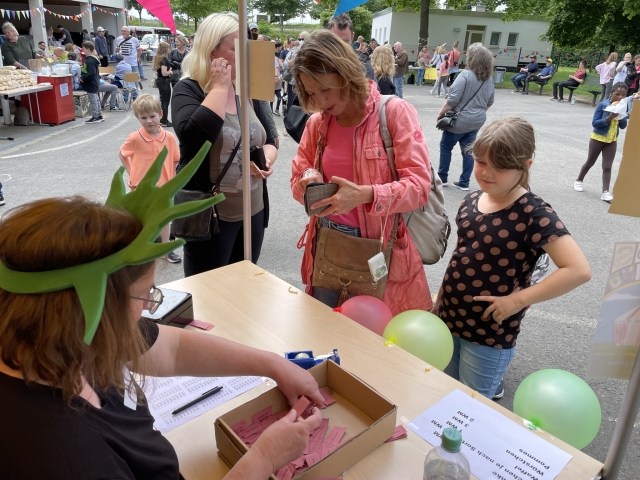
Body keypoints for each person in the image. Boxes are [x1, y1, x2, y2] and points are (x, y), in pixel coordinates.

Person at [0, 171, 324, 479]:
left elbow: (173, 348)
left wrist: (273, 364)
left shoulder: (66, 340)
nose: (148, 308)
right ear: (92, 310)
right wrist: (263, 460)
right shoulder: (68, 461)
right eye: (145, 294)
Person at [434, 117, 592, 400]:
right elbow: (461, 255)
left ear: (525, 166)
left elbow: (578, 270)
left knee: (472, 406)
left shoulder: (534, 213)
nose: (487, 172)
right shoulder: (471, 200)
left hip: (489, 334)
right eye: (481, 162)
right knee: (446, 392)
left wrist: (517, 300)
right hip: (449, 318)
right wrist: (440, 298)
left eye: (501, 166)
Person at [290, 30, 432, 314]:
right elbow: (297, 179)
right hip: (327, 244)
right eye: (311, 92)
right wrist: (306, 180)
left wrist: (366, 195)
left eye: (325, 89)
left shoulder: (394, 113)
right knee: (325, 331)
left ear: (346, 74)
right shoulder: (318, 124)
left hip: (379, 247)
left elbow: (419, 187)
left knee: (372, 335)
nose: (320, 101)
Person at [171, 12, 277, 277]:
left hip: (252, 209)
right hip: (211, 216)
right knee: (209, 290)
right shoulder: (188, 89)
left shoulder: (247, 89)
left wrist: (267, 158)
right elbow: (193, 139)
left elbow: (270, 139)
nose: (245, 55)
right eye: (235, 48)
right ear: (212, 51)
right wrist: (219, 88)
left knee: (245, 285)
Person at [119, 94, 181, 262]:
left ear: (161, 114)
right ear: (137, 118)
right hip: (140, 186)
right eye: (143, 117)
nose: (149, 121)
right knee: (140, 217)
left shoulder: (169, 137)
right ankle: (141, 247)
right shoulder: (135, 138)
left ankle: (165, 248)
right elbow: (122, 154)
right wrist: (131, 173)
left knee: (164, 217)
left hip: (163, 186)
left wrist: (173, 180)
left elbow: (175, 159)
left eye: (152, 116)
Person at [436, 42, 495, 191]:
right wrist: (477, 111)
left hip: (458, 120)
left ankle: (442, 177)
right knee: (468, 150)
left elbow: (452, 100)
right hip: (476, 121)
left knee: (445, 147)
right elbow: (489, 102)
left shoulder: (465, 75)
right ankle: (464, 182)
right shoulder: (489, 79)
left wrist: (440, 113)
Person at [574, 82, 629, 203]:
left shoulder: (622, 106)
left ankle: (605, 192)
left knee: (607, 166)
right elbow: (595, 123)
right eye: (617, 94)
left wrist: (621, 115)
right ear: (611, 93)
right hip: (598, 138)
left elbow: (623, 126)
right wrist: (609, 117)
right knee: (590, 162)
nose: (620, 97)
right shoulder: (603, 105)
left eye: (623, 95)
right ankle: (579, 180)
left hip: (612, 140)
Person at [326, 14, 375, 81]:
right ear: (328, 37)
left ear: (352, 36)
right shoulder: (320, 62)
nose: (341, 46)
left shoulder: (363, 64)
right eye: (336, 41)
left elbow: (373, 87)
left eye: (345, 41)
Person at [79, 41, 103, 124]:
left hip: (91, 83)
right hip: (94, 82)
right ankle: (99, 115)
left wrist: (83, 78)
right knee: (96, 99)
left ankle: (95, 117)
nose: (83, 51)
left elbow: (91, 73)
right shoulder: (94, 59)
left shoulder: (89, 61)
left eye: (84, 49)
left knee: (93, 100)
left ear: (88, 49)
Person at [153, 42, 173, 128]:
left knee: (162, 100)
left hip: (159, 80)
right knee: (165, 102)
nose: (169, 49)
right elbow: (164, 73)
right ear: (165, 49)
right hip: (164, 81)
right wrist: (170, 72)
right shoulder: (164, 59)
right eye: (168, 48)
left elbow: (154, 68)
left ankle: (161, 119)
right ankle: (164, 120)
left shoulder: (157, 57)